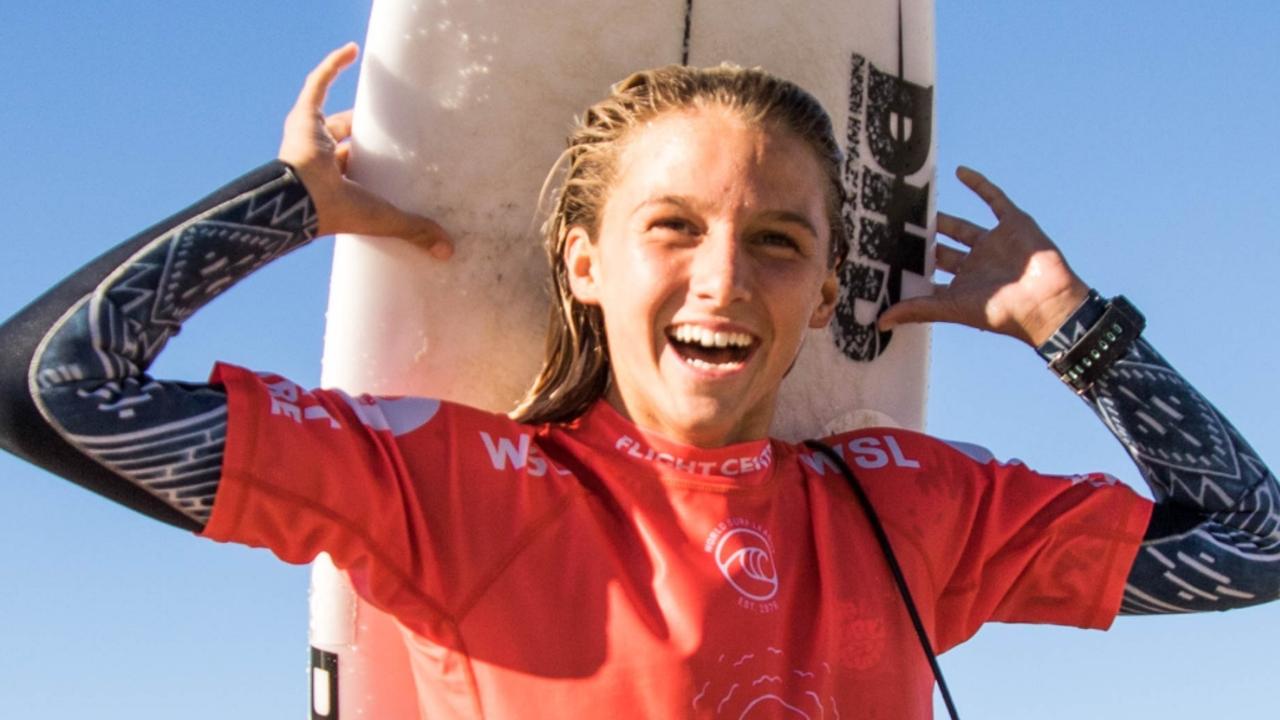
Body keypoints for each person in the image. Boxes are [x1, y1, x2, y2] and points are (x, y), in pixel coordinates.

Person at [0, 43, 1274, 718]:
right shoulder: (450, 488)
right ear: (583, 262)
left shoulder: (908, 512)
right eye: (671, 228)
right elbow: (51, 390)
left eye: (777, 242)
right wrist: (281, 206)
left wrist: (1069, 326)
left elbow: (1254, 548)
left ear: (823, 294)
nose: (723, 277)